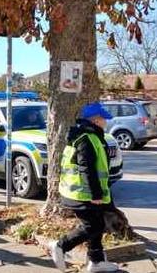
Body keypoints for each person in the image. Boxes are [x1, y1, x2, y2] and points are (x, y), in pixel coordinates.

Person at [49, 102, 119, 273]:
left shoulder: (87, 135)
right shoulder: (87, 138)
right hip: (82, 193)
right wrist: (95, 194)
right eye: (104, 119)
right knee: (93, 226)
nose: (106, 122)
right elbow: (86, 168)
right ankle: (60, 246)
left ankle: (96, 262)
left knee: (97, 223)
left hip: (79, 191)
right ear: (95, 120)